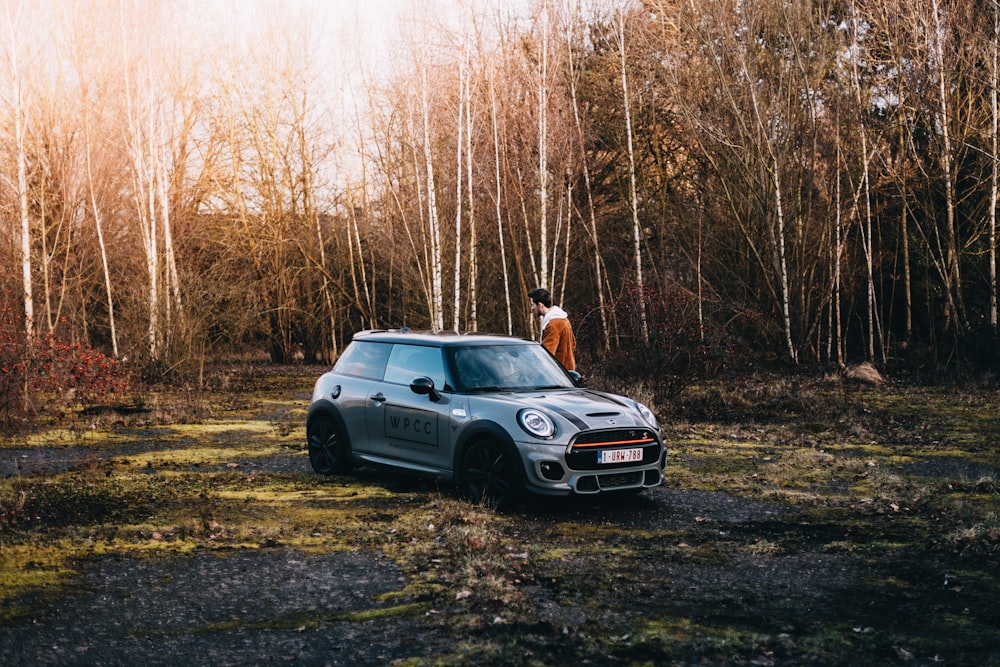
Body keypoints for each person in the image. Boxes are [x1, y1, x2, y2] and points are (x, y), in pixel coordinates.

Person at [528, 287, 576, 371]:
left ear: (540, 305)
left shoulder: (553, 325)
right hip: (568, 371)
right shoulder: (563, 319)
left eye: (533, 305)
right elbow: (573, 343)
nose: (532, 308)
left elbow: (547, 354)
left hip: (558, 374)